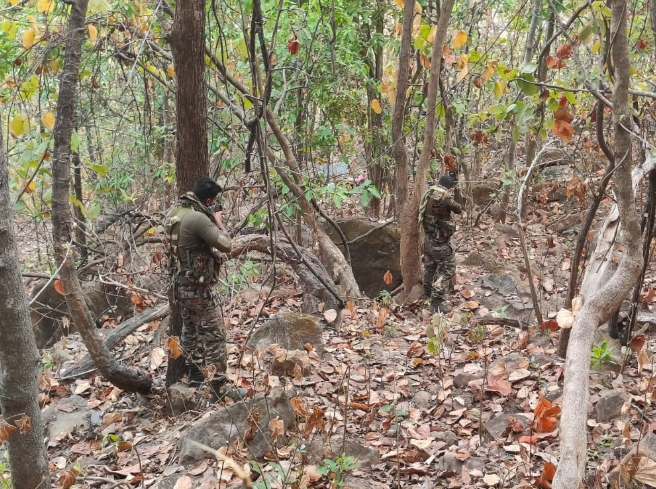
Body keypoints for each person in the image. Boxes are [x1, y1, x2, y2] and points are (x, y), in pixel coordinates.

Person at [164, 177, 232, 397]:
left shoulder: (176, 211)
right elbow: (226, 245)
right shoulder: (197, 218)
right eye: (214, 201)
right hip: (198, 289)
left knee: (190, 330)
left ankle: (195, 376)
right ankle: (219, 387)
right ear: (209, 201)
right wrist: (218, 221)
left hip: (181, 286)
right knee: (214, 335)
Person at [419, 174, 462, 313]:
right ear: (449, 187)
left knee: (429, 269)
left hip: (428, 241)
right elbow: (458, 209)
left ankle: (427, 297)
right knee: (447, 269)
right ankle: (437, 304)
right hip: (440, 244)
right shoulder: (445, 198)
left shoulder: (429, 193)